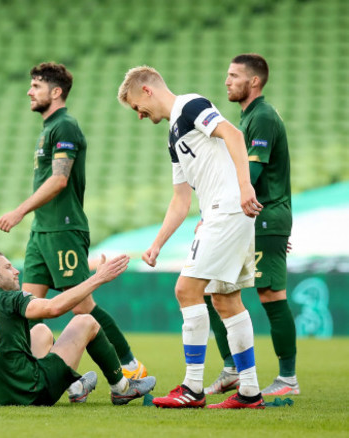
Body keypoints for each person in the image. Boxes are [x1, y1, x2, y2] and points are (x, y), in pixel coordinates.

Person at [118, 66, 266, 409]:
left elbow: (233, 134)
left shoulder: (189, 105)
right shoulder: (174, 135)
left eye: (136, 106)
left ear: (147, 90)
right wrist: (156, 244)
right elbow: (180, 201)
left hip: (229, 208)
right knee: (226, 301)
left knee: (186, 290)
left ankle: (193, 388)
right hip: (220, 213)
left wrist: (245, 186)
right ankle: (249, 392)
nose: (139, 115)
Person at [0, 62, 147, 380]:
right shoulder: (48, 129)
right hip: (42, 230)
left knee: (82, 306)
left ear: (56, 92)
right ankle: (19, 372)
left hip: (63, 228)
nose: (29, 92)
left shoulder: (65, 126)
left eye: (36, 86)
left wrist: (19, 210)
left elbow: (60, 180)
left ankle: (130, 367)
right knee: (29, 307)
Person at [204, 54, 298, 397]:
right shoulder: (247, 120)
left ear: (253, 81)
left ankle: (288, 379)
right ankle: (231, 368)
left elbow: (253, 176)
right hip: (254, 216)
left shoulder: (262, 118)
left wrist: (216, 214)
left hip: (263, 214)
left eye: (234, 75)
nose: (227, 81)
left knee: (271, 293)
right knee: (213, 288)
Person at [0, 250, 156, 406]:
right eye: (8, 267)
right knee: (85, 321)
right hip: (31, 393)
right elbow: (53, 308)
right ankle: (121, 388)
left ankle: (75, 387)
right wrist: (97, 279)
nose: (16, 271)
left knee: (41, 332)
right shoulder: (8, 298)